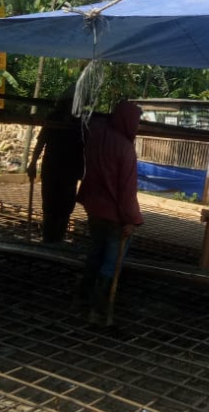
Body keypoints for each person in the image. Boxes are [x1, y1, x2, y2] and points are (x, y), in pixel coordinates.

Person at [75, 100, 143, 324]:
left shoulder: (96, 135)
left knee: (95, 252)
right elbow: (126, 192)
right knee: (111, 263)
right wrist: (133, 220)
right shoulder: (125, 150)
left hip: (94, 209)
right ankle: (98, 309)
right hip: (115, 216)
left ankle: (82, 297)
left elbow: (91, 119)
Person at [26, 89, 84, 243]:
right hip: (53, 169)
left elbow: (85, 147)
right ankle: (49, 239)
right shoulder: (54, 118)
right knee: (50, 205)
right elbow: (41, 142)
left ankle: (58, 238)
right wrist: (32, 163)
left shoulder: (79, 121)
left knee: (65, 207)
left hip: (69, 171)